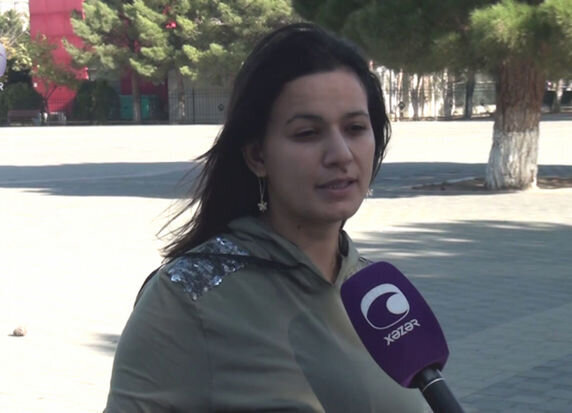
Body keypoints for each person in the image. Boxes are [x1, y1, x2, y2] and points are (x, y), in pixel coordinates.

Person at [104, 22, 428, 412]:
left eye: (355, 128)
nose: (341, 154)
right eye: (308, 133)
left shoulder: (379, 293)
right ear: (257, 155)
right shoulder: (185, 299)